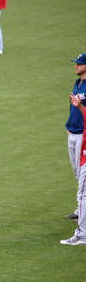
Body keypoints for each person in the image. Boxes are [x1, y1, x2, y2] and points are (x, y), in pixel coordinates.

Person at [61, 72, 86, 247]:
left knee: (82, 192)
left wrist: (79, 107)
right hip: (77, 136)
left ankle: (82, 234)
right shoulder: (77, 82)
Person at [65, 53, 86, 222]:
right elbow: (73, 105)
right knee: (77, 172)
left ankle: (81, 211)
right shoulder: (77, 83)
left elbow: (81, 107)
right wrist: (68, 125)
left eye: (79, 64)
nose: (76, 66)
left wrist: (78, 107)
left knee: (83, 175)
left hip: (83, 134)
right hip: (72, 131)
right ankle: (81, 208)